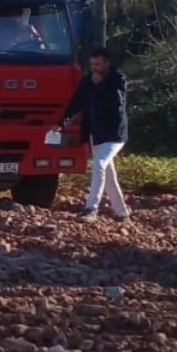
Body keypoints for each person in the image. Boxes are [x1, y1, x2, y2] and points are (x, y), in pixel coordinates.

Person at [55, 46, 129, 222]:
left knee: (100, 163)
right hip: (95, 134)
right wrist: (60, 124)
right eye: (92, 64)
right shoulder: (88, 81)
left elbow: (117, 103)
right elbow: (75, 103)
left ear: (106, 63)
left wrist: (101, 84)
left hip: (114, 134)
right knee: (108, 174)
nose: (95, 67)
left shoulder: (118, 79)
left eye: (98, 63)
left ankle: (91, 208)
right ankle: (121, 213)